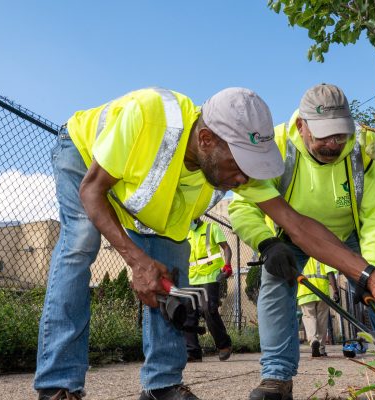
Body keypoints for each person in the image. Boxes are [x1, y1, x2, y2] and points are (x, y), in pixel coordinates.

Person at [34, 87, 286, 400]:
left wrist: (363, 273)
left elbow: (292, 220)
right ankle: (59, 383)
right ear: (206, 140)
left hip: (128, 186)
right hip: (84, 158)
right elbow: (92, 192)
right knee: (80, 242)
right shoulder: (151, 115)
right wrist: (138, 261)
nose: (244, 180)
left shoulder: (223, 165)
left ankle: (161, 385)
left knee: (171, 264)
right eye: (239, 165)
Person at [228, 83, 375, 400]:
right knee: (274, 282)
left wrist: (372, 268)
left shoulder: (364, 147)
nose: (334, 144)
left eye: (340, 134)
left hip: (349, 233)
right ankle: (277, 378)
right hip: (292, 233)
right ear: (301, 125)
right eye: (324, 135)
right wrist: (266, 242)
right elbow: (243, 204)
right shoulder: (275, 145)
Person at [184, 217, 233, 362]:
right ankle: (192, 352)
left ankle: (224, 345)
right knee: (188, 313)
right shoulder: (185, 233)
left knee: (208, 309)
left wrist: (227, 265)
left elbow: (226, 247)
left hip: (211, 275)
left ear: (197, 216)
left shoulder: (212, 228)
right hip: (192, 276)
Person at [297, 258, 339, 358]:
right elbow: (330, 273)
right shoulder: (321, 253)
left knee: (309, 317)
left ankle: (313, 340)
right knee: (322, 320)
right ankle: (321, 348)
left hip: (305, 292)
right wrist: (335, 290)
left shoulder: (300, 254)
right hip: (322, 293)